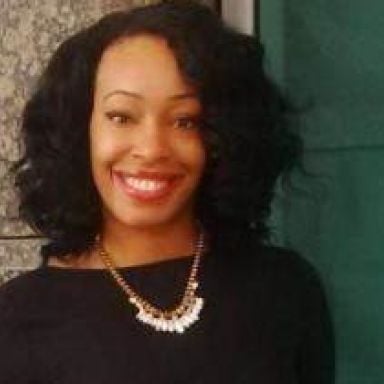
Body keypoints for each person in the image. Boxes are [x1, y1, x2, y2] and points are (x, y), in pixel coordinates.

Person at [0, 1, 334, 383]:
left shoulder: (285, 289)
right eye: (121, 117)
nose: (152, 148)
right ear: (80, 131)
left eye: (185, 121)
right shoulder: (19, 318)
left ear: (224, 137)